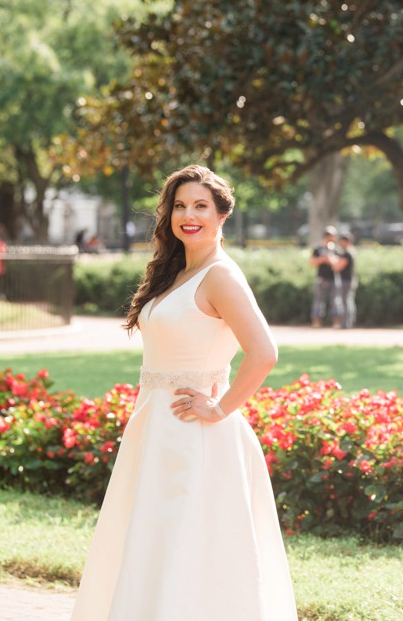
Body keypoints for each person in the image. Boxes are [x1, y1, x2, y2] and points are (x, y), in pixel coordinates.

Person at [71, 164, 297, 621]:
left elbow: (264, 353)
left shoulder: (221, 276)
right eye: (179, 206)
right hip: (156, 430)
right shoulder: (177, 272)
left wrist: (219, 408)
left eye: (200, 206)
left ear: (221, 216)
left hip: (194, 438)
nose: (188, 215)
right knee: (153, 549)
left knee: (189, 553)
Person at [309, 225, 342, 328]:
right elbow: (312, 263)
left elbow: (338, 265)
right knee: (318, 302)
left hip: (333, 278)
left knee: (335, 301)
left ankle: (336, 322)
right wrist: (323, 259)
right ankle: (316, 322)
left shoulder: (336, 249)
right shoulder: (318, 249)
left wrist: (330, 259)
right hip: (321, 278)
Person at [333, 232, 357, 329]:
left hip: (347, 281)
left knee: (346, 302)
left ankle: (346, 323)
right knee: (348, 301)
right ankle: (348, 323)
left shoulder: (348, 253)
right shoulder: (350, 251)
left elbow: (338, 267)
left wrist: (332, 260)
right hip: (349, 280)